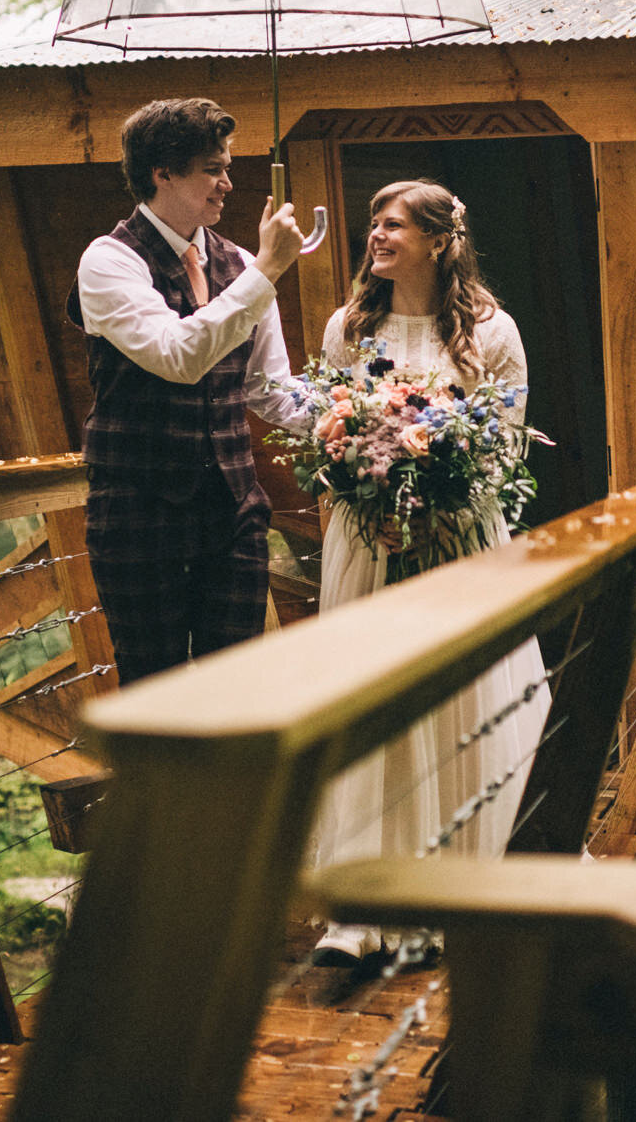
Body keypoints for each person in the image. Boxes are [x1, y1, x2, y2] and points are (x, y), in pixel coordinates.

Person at [308, 180, 548, 968]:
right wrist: (361, 484)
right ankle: (361, 908)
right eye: (373, 222)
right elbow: (327, 429)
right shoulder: (349, 327)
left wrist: (439, 504)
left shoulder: (493, 330)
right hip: (368, 544)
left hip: (460, 541)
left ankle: (461, 885)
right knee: (373, 707)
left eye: (393, 224)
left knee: (454, 702)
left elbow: (504, 446)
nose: (375, 234)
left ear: (440, 240)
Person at [70, 96, 305, 682]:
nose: (229, 183)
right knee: (157, 693)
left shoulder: (241, 263)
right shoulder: (109, 261)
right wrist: (267, 274)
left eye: (228, 167)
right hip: (138, 515)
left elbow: (270, 391)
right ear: (163, 172)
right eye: (213, 169)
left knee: (238, 688)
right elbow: (177, 357)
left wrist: (372, 423)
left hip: (234, 515)